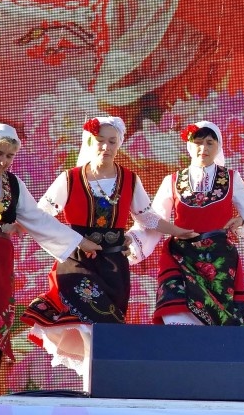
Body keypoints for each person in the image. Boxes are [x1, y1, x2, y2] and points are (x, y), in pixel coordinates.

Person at [23, 116, 196, 392]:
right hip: (77, 261)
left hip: (114, 265)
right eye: (100, 141)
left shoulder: (129, 179)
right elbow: (42, 215)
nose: (105, 147)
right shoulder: (70, 178)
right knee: (89, 325)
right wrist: (76, 240)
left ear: (119, 144)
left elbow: (147, 217)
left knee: (106, 329)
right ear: (89, 143)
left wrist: (177, 230)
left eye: (112, 141)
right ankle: (92, 387)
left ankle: (95, 387)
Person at [0, 123, 100, 395]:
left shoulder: (13, 184)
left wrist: (79, 241)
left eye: (9, 156)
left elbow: (37, 219)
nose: (3, 161)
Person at [130, 121, 244, 325]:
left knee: (217, 323)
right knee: (175, 309)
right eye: (198, 142)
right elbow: (154, 220)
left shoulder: (230, 178)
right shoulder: (172, 181)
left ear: (218, 146)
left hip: (218, 259)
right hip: (180, 256)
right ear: (189, 146)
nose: (203, 148)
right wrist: (132, 243)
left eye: (210, 142)